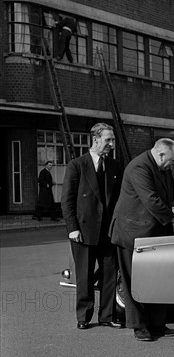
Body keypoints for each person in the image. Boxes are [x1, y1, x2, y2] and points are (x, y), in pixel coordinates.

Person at [109, 138, 174, 342]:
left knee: (159, 279)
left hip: (154, 233)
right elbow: (151, 199)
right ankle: (139, 326)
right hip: (131, 233)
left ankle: (158, 324)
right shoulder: (138, 167)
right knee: (133, 281)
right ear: (161, 154)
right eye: (173, 161)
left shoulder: (162, 166)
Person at [61, 123, 123, 330]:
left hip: (108, 231)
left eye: (112, 140)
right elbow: (67, 200)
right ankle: (84, 317)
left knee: (109, 275)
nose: (111, 144)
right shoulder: (77, 165)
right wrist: (73, 228)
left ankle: (107, 316)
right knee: (85, 276)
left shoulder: (114, 166)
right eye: (108, 140)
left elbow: (119, 199)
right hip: (83, 231)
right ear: (95, 140)